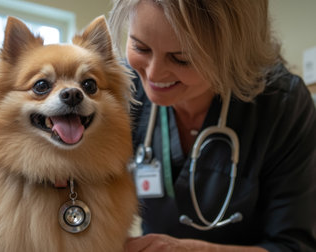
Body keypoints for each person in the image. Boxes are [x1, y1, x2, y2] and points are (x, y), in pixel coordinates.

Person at [108, 0, 316, 251]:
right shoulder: (118, 90)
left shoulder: (282, 104)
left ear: (234, 53)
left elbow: (295, 246)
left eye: (181, 59)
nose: (153, 74)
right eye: (140, 47)